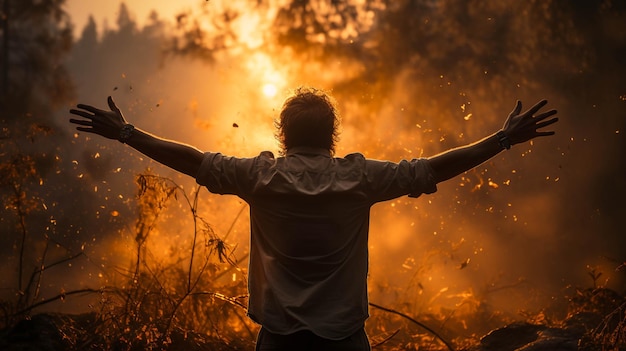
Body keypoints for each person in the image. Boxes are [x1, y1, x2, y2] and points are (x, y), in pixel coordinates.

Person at [69, 87, 558, 351]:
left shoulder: (260, 177)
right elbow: (433, 169)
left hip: (278, 340)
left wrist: (128, 132)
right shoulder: (359, 179)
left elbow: (191, 159)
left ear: (283, 135)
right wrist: (502, 138)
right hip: (344, 340)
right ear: (333, 135)